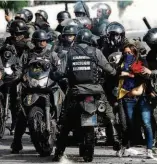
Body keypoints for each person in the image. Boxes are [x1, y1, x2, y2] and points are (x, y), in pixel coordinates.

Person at [53, 29, 120, 161]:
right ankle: (116, 139)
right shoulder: (96, 52)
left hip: (76, 91)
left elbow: (60, 72)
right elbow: (109, 70)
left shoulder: (70, 53)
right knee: (109, 114)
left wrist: (56, 75)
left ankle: (59, 152)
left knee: (66, 122)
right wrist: (114, 71)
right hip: (95, 91)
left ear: (77, 39)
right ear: (90, 40)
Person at [10, 30, 63, 154]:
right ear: (34, 42)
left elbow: (59, 67)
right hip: (30, 87)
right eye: (39, 41)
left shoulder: (52, 54)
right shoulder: (27, 54)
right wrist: (19, 75)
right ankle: (16, 142)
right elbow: (19, 67)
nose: (41, 43)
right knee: (22, 114)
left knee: (65, 98)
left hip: (48, 85)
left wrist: (60, 75)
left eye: (44, 41)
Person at [116, 39, 154, 158]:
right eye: (125, 53)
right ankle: (125, 146)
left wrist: (150, 89)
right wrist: (125, 72)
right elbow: (116, 73)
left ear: (135, 52)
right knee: (129, 124)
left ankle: (149, 149)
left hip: (142, 96)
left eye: (130, 53)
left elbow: (147, 76)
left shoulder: (141, 61)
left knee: (146, 123)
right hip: (127, 96)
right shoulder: (122, 63)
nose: (127, 55)